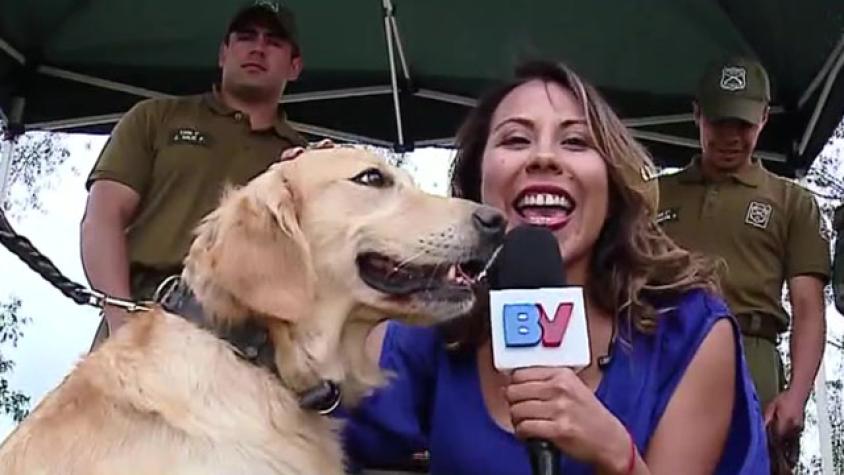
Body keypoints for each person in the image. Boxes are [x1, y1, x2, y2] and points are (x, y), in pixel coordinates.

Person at [341, 60, 769, 474]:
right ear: (477, 186)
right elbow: (313, 428)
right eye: (515, 140)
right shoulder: (434, 321)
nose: (544, 157)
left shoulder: (690, 332)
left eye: (576, 142)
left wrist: (619, 457)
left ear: (612, 184)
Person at [80, 1, 308, 348]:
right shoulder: (155, 118)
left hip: (252, 342)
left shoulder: (306, 161)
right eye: (246, 37)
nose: (258, 48)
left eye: (274, 42)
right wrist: (120, 317)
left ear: (294, 66)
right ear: (223, 53)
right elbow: (103, 217)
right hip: (145, 315)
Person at [657, 56, 831, 466]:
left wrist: (796, 395)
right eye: (719, 122)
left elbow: (808, 307)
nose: (731, 136)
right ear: (697, 113)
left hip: (752, 354)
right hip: (664, 348)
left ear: (764, 119)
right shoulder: (652, 196)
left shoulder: (793, 202)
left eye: (744, 124)